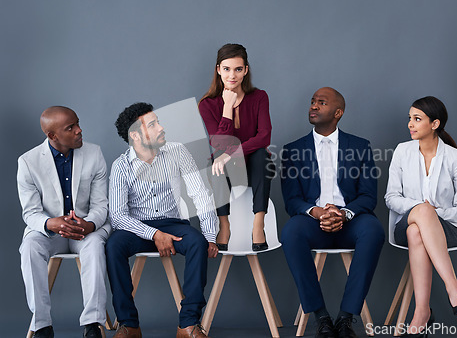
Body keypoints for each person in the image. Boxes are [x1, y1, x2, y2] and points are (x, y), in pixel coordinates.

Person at [106, 102, 218, 338]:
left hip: (172, 223)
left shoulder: (177, 151)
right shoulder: (121, 166)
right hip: (136, 228)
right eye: (153, 124)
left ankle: (188, 324)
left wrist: (209, 235)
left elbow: (201, 193)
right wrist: (154, 235)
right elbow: (118, 216)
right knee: (113, 245)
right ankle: (129, 325)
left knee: (197, 242)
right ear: (135, 135)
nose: (161, 128)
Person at [281, 87, 385, 338]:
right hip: (312, 223)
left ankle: (346, 318)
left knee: (373, 230)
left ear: (338, 112)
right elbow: (292, 200)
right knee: (291, 231)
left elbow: (369, 196)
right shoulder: (293, 149)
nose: (313, 106)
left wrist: (343, 214)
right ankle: (322, 317)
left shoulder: (360, 146)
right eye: (312, 102)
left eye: (322, 103)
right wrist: (317, 212)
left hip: (351, 221)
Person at [17, 106, 110, 338]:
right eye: (71, 128)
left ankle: (92, 325)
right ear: (52, 135)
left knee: (95, 247)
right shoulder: (28, 162)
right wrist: (51, 223)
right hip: (50, 233)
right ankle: (42, 326)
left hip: (86, 229)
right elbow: (30, 213)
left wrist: (88, 225)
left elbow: (101, 205)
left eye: (78, 123)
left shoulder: (94, 153)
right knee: (29, 246)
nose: (79, 131)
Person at [385, 96, 457, 337]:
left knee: (418, 230)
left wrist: (435, 213)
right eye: (410, 119)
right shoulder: (402, 151)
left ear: (435, 124)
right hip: (405, 225)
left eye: (417, 119)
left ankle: (421, 312)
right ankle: (453, 289)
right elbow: (391, 197)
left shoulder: (456, 158)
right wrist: (421, 209)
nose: (410, 124)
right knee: (418, 219)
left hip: (448, 231)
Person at [198, 43, 274, 252]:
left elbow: (264, 136)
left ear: (246, 70)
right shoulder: (207, 104)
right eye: (227, 69)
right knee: (217, 159)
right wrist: (227, 107)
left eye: (238, 69)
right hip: (227, 171)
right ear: (218, 70)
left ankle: (258, 224)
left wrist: (232, 152)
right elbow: (221, 143)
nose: (232, 75)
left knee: (261, 154)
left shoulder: (259, 97)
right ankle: (224, 225)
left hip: (256, 169)